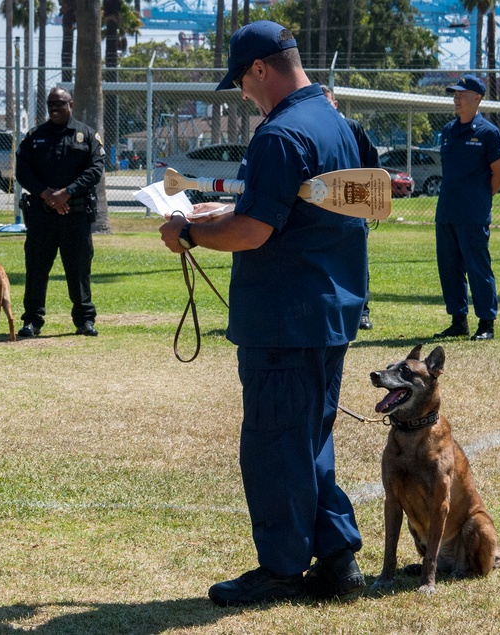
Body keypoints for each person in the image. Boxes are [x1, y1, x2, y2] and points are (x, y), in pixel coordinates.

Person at [159, 21, 366, 607]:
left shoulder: (279, 134)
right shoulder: (333, 122)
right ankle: (337, 559)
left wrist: (189, 234)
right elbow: (303, 206)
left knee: (275, 445)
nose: (245, 95)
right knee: (309, 439)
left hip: (285, 316)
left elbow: (253, 232)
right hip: (330, 308)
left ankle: (279, 569)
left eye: (243, 83)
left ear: (259, 69)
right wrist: (229, 208)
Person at [16, 87, 106, 338]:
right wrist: (47, 194)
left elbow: (95, 169)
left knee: (78, 269)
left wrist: (66, 193)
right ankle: (32, 321)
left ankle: (85, 321)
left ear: (71, 105)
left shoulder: (86, 135)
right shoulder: (35, 136)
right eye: (51, 103)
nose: (54, 107)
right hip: (41, 216)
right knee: (36, 269)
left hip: (75, 215)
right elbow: (22, 172)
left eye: (60, 103)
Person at [433, 74, 500, 341]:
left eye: (462, 94)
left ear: (477, 98)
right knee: (449, 268)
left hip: (472, 214)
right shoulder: (449, 130)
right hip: (447, 212)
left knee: (478, 268)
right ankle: (458, 321)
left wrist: (481, 200)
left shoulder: (488, 133)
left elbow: (499, 173)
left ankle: (486, 323)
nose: (456, 97)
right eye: (454, 93)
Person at [322, 84, 378, 331]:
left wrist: (371, 204)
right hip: (323, 208)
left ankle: (362, 312)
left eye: (328, 103)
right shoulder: (312, 131)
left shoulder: (352, 128)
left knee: (357, 260)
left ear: (335, 105)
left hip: (352, 206)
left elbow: (373, 161)